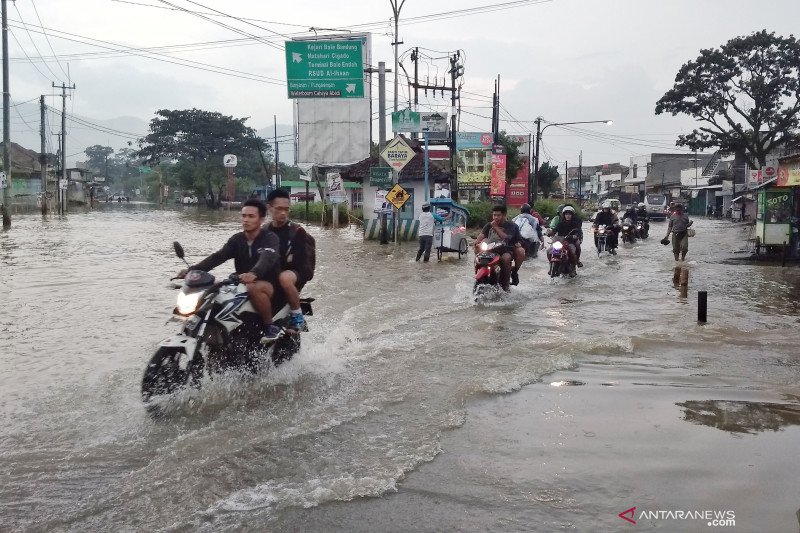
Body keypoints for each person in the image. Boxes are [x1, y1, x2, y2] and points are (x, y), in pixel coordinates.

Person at [178, 198, 283, 340]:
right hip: (241, 281)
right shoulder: (237, 239)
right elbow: (218, 257)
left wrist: (254, 273)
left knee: (253, 288)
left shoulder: (270, 238)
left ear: (261, 219)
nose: (246, 220)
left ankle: (269, 326)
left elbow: (266, 258)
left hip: (267, 283)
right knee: (214, 292)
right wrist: (193, 270)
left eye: (251, 216)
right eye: (244, 216)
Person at [265, 188, 311, 332]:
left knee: (284, 278)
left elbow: (303, 263)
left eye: (286, 209)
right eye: (279, 209)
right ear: (269, 208)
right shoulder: (264, 231)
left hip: (295, 272)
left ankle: (297, 316)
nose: (283, 213)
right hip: (272, 274)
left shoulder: (297, 231)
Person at [474, 203, 524, 291]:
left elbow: (506, 238)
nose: (495, 217)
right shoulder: (488, 225)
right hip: (490, 250)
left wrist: (496, 227)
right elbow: (481, 236)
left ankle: (505, 285)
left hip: (505, 250)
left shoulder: (511, 225)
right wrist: (477, 243)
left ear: (504, 215)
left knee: (506, 259)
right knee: (478, 256)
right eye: (494, 215)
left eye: (498, 215)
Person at [553, 206, 583, 274]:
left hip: (570, 242)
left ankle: (575, 263)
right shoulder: (560, 223)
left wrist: (575, 236)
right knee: (549, 251)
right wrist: (550, 232)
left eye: (569, 214)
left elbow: (579, 232)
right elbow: (555, 230)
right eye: (566, 214)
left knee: (573, 250)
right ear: (564, 215)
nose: (568, 216)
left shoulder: (575, 223)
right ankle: (551, 265)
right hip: (561, 242)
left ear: (572, 215)